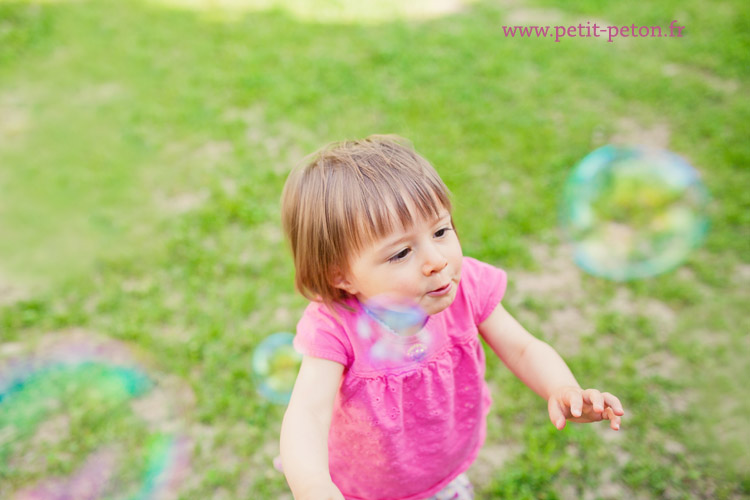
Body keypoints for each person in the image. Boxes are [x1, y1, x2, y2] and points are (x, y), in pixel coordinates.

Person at [278, 135, 624, 500]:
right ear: (341, 276)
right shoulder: (336, 326)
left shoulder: (467, 287)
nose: (437, 261)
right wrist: (315, 487)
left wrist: (562, 388)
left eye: (441, 231)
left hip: (442, 470)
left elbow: (522, 348)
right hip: (360, 488)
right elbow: (308, 414)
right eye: (400, 253)